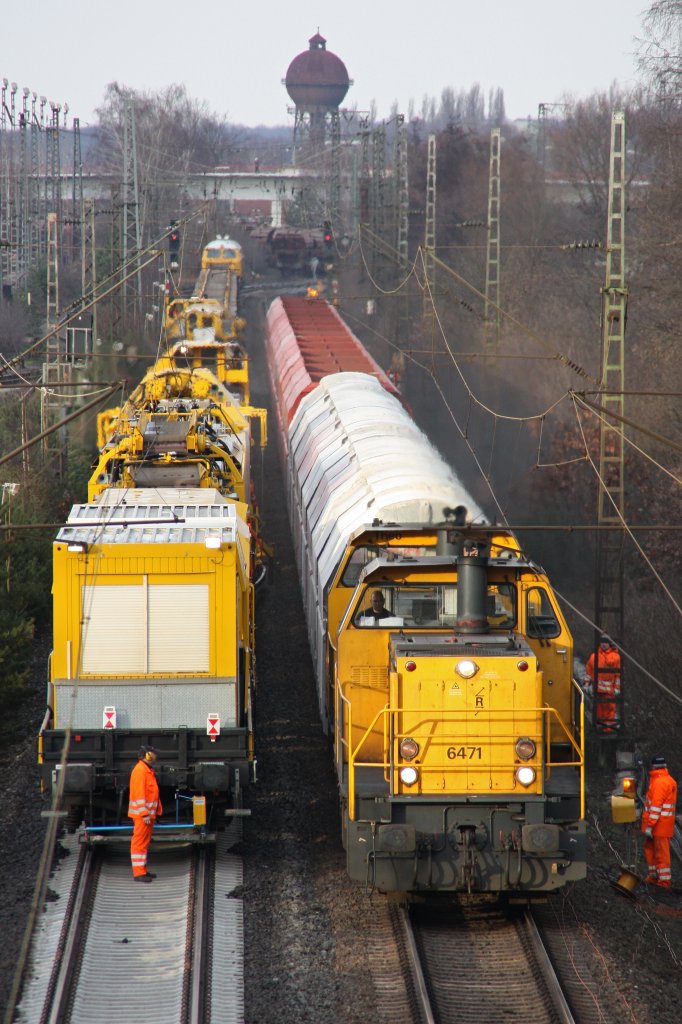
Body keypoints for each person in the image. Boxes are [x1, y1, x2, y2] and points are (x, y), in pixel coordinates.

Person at [642, 755, 677, 888]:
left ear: (653, 766)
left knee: (660, 852)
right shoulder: (668, 781)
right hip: (663, 824)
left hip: (658, 826)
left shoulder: (658, 783)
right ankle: (655, 876)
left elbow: (655, 807)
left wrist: (650, 825)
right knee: (653, 849)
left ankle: (663, 881)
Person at [128, 745, 162, 883]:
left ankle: (142, 870)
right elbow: (139, 794)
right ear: (147, 755)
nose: (156, 756)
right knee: (139, 843)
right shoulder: (140, 771)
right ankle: (138, 873)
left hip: (147, 815)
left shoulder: (146, 770)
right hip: (143, 816)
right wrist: (144, 813)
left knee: (144, 843)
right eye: (154, 754)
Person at [585, 635, 621, 732]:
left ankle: (608, 729)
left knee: (609, 711)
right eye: (602, 642)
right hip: (597, 691)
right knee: (599, 711)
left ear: (609, 644)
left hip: (609, 691)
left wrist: (617, 688)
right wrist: (587, 684)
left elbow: (618, 674)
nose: (603, 644)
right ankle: (600, 729)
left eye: (605, 643)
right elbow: (589, 671)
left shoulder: (615, 657)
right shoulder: (594, 657)